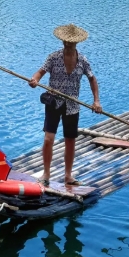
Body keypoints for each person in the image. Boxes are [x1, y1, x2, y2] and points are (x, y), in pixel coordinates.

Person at [29, 23, 102, 187]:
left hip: (72, 106)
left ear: (76, 42)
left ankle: (68, 176)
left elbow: (92, 79)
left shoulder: (83, 61)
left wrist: (96, 101)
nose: (68, 44)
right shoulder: (53, 57)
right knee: (48, 139)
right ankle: (46, 174)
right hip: (53, 103)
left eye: (71, 42)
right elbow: (40, 72)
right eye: (65, 42)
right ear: (62, 41)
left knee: (70, 140)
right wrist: (35, 80)